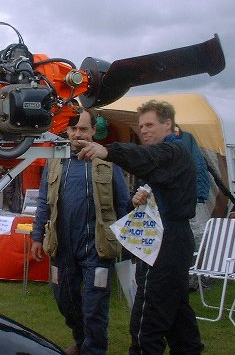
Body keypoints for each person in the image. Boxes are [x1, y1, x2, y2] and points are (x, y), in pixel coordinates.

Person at [76, 100, 204, 355]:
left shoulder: (172, 152)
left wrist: (107, 151)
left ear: (168, 124)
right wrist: (138, 199)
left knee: (147, 324)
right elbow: (153, 180)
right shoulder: (164, 158)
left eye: (150, 125)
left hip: (167, 242)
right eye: (141, 125)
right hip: (167, 240)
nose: (143, 130)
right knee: (178, 317)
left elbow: (147, 157)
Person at [30, 110, 129, 355]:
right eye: (73, 129)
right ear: (66, 130)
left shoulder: (108, 161)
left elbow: (123, 203)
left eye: (83, 129)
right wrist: (36, 236)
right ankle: (82, 339)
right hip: (62, 246)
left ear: (94, 130)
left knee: (95, 306)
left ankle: (94, 349)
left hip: (97, 247)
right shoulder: (55, 160)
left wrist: (130, 242)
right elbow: (43, 202)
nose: (78, 134)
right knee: (64, 299)